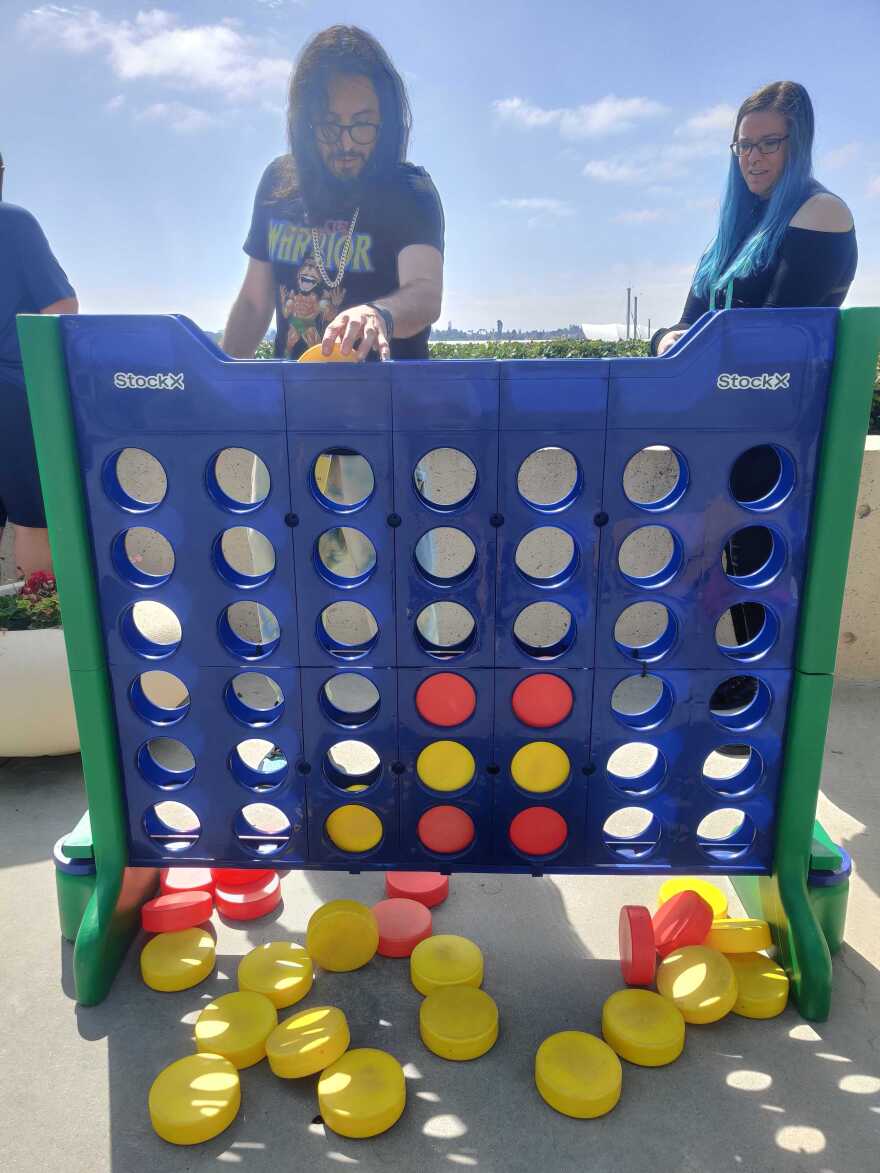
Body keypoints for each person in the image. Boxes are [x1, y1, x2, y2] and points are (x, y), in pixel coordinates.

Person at [650, 82, 857, 710]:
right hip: (723, 429)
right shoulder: (737, 230)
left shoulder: (820, 214)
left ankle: (758, 698)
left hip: (776, 433)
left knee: (760, 567)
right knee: (725, 564)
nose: (754, 157)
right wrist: (673, 340)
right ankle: (740, 687)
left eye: (769, 143)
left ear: (800, 144)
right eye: (743, 145)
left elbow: (773, 336)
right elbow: (680, 326)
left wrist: (691, 344)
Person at [223, 24, 444, 363]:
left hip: (391, 405)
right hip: (295, 406)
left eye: (361, 125)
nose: (346, 143)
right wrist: (222, 384)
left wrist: (379, 314)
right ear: (305, 125)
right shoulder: (278, 184)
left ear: (386, 123)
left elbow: (425, 293)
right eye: (328, 125)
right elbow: (254, 304)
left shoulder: (410, 192)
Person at [0, 152, 78, 579]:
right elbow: (62, 308)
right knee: (33, 520)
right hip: (14, 393)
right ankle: (38, 618)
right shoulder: (14, 223)